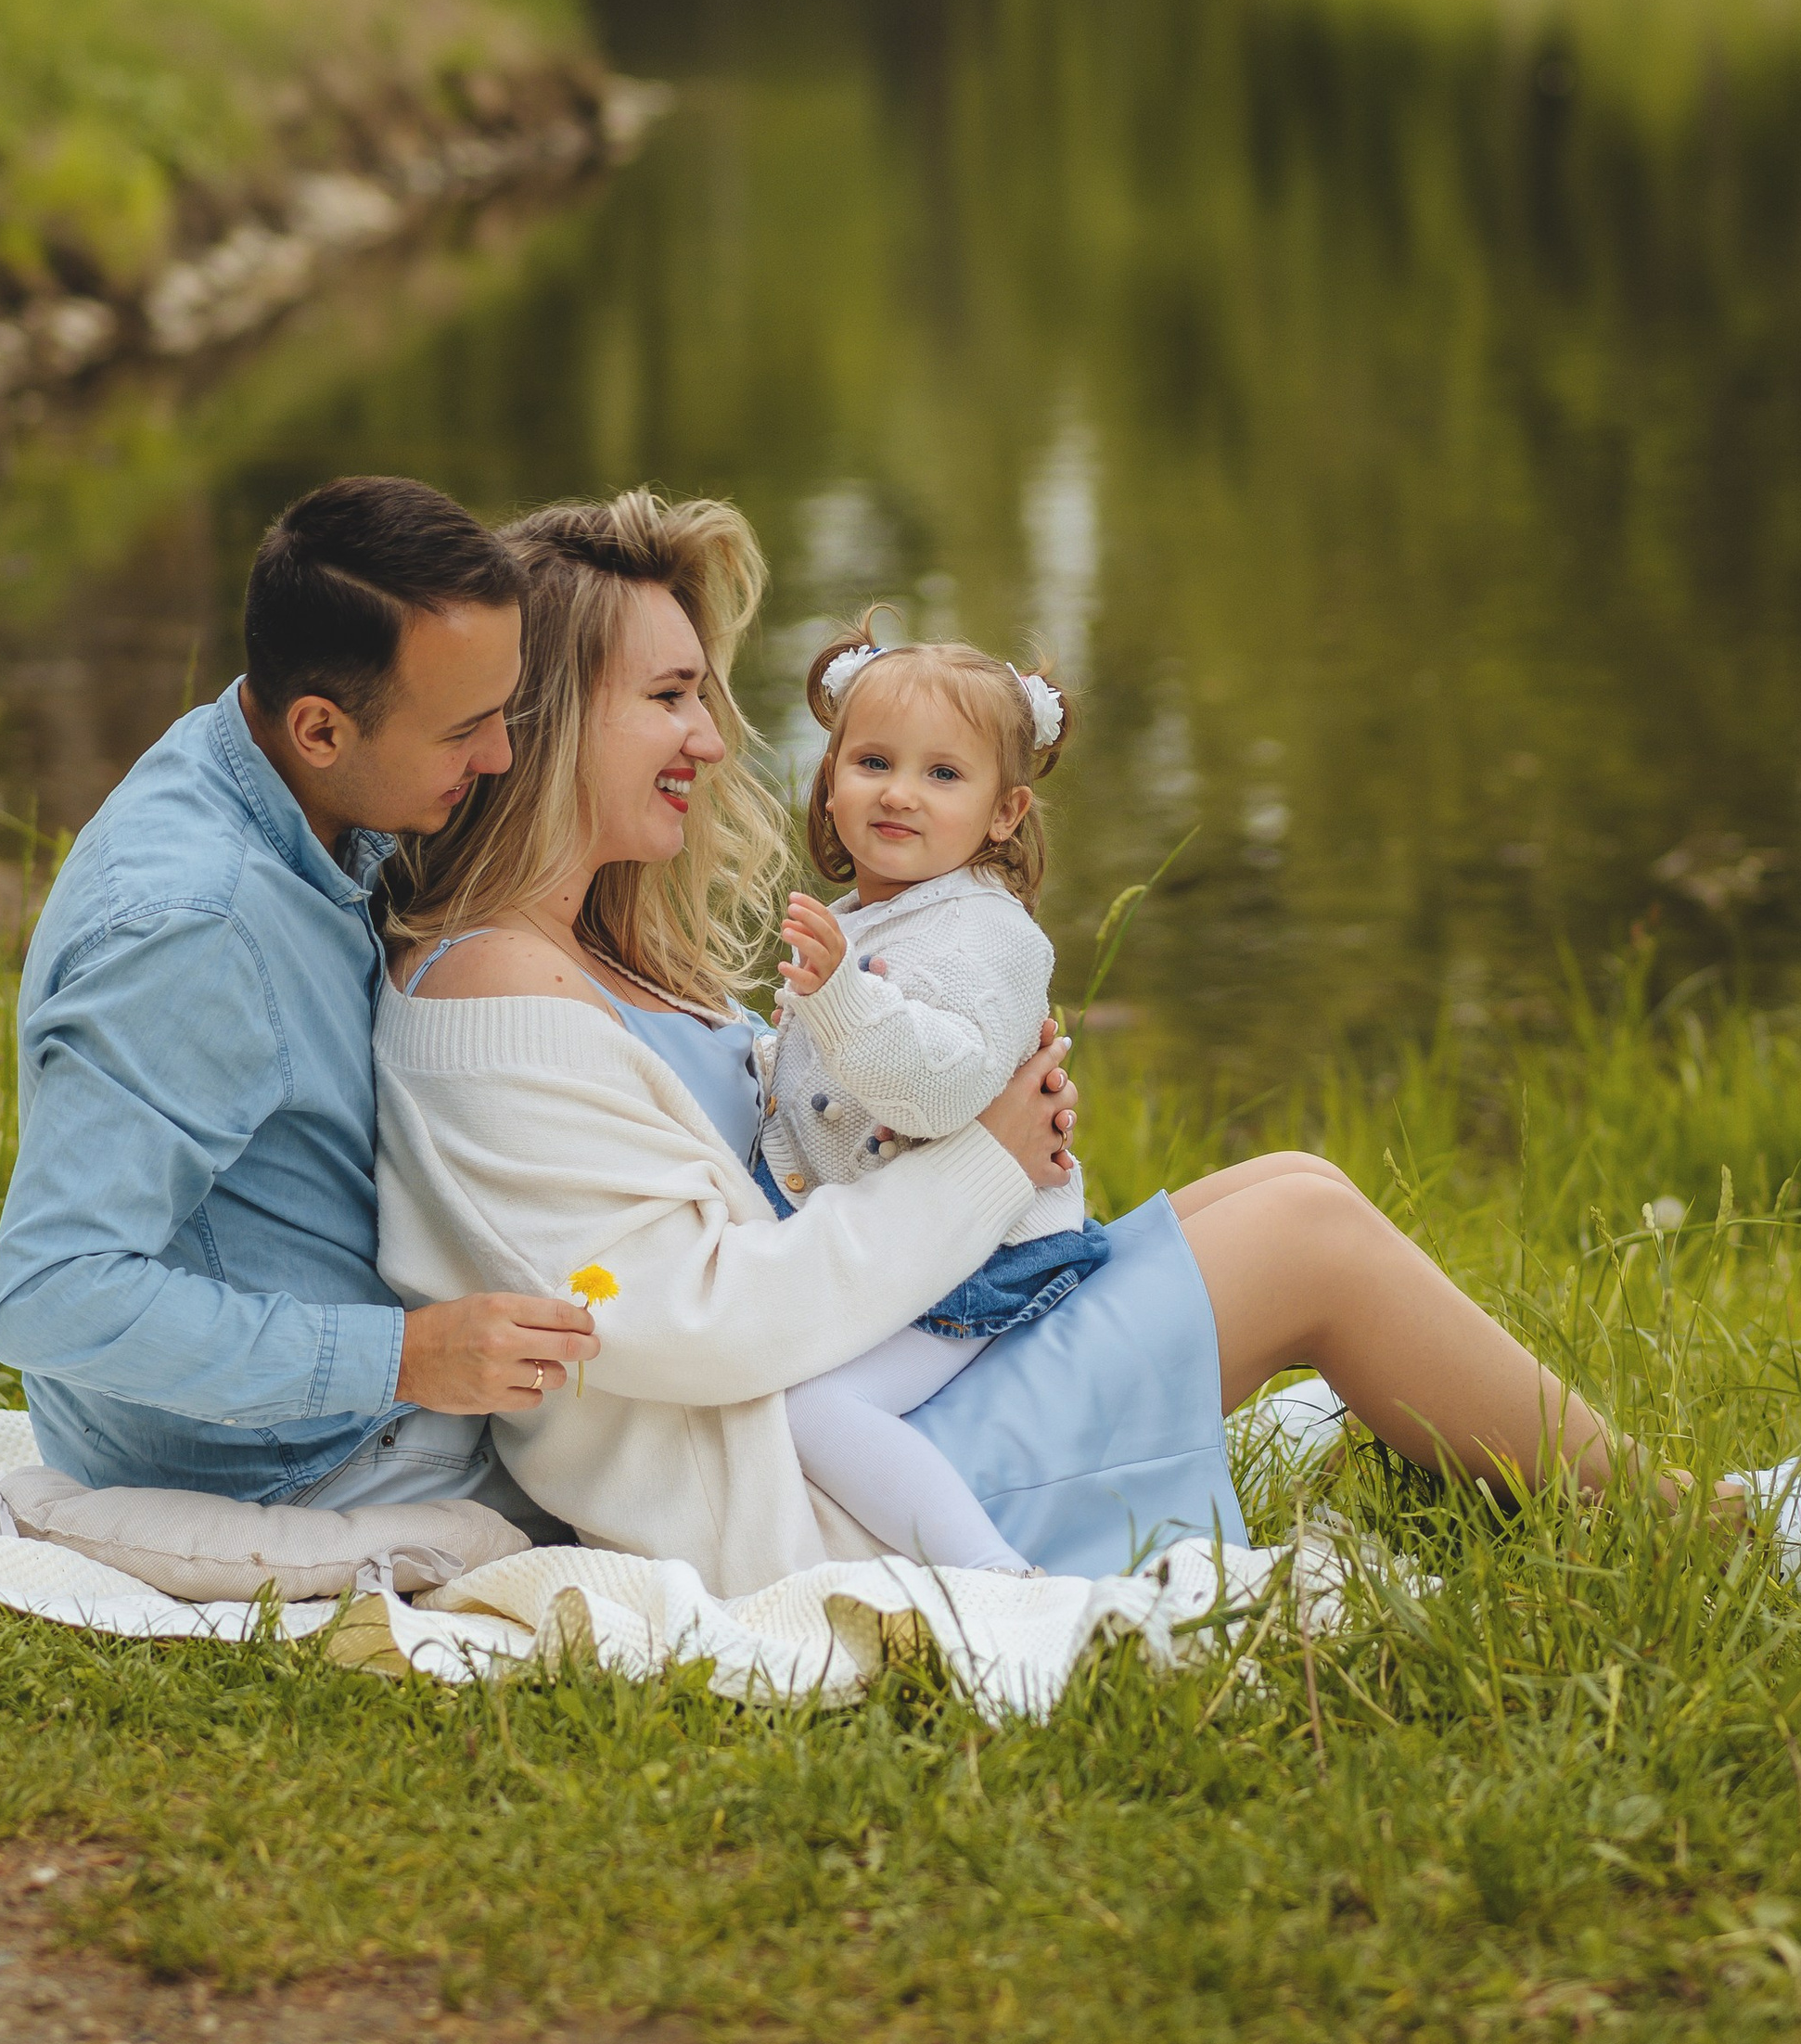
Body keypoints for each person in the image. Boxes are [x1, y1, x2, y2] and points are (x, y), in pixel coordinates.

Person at [375, 489, 1692, 1592]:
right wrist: (988, 1163)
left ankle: (1632, 1492)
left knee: (1292, 1187)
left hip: (882, 1398)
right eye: (669, 696)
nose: (713, 739)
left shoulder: (593, 958)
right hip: (826, 1493)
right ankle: (1699, 1533)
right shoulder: (490, 999)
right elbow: (677, 1317)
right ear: (545, 716)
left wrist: (964, 1126)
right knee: (1308, 1241)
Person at [0, 476, 598, 1510]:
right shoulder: (196, 930)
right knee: (713, 1455)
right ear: (320, 729)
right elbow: (51, 1297)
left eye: (506, 715)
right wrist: (406, 1358)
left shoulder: (266, 766)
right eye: (464, 732)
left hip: (329, 1407)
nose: (497, 758)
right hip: (288, 1463)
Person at [772, 629, 1109, 1575]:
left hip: (977, 1258)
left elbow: (945, 1087)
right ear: (830, 778)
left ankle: (992, 1576)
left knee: (812, 1407)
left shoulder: (989, 935)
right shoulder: (858, 920)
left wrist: (838, 996)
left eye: (942, 774)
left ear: (1004, 813)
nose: (899, 792)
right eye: (873, 762)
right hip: (905, 1245)